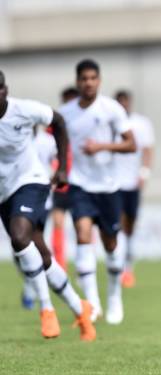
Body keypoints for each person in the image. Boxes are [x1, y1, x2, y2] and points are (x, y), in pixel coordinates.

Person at [0, 70, 96, 341]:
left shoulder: (23, 110)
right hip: (4, 194)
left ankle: (46, 309)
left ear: (5, 90)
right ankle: (81, 309)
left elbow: (60, 121)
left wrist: (64, 167)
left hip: (32, 181)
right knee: (40, 255)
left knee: (19, 237)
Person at [59, 59, 136, 324]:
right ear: (78, 81)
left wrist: (102, 146)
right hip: (79, 184)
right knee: (82, 234)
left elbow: (131, 144)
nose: (88, 83)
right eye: (84, 78)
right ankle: (92, 304)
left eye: (93, 78)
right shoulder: (66, 113)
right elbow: (57, 144)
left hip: (108, 187)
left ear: (99, 81)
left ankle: (114, 295)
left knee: (110, 243)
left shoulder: (111, 109)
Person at [114, 89, 155, 288]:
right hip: (114, 183)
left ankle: (128, 264)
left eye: (126, 101)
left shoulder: (141, 123)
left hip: (133, 182)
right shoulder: (111, 122)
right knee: (119, 224)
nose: (123, 105)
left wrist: (144, 173)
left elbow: (147, 149)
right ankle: (121, 269)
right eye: (120, 102)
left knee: (130, 224)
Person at [50, 86, 79, 270]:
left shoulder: (84, 122)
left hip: (79, 183)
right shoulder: (55, 124)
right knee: (58, 223)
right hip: (61, 182)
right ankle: (61, 264)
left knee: (82, 225)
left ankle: (83, 264)